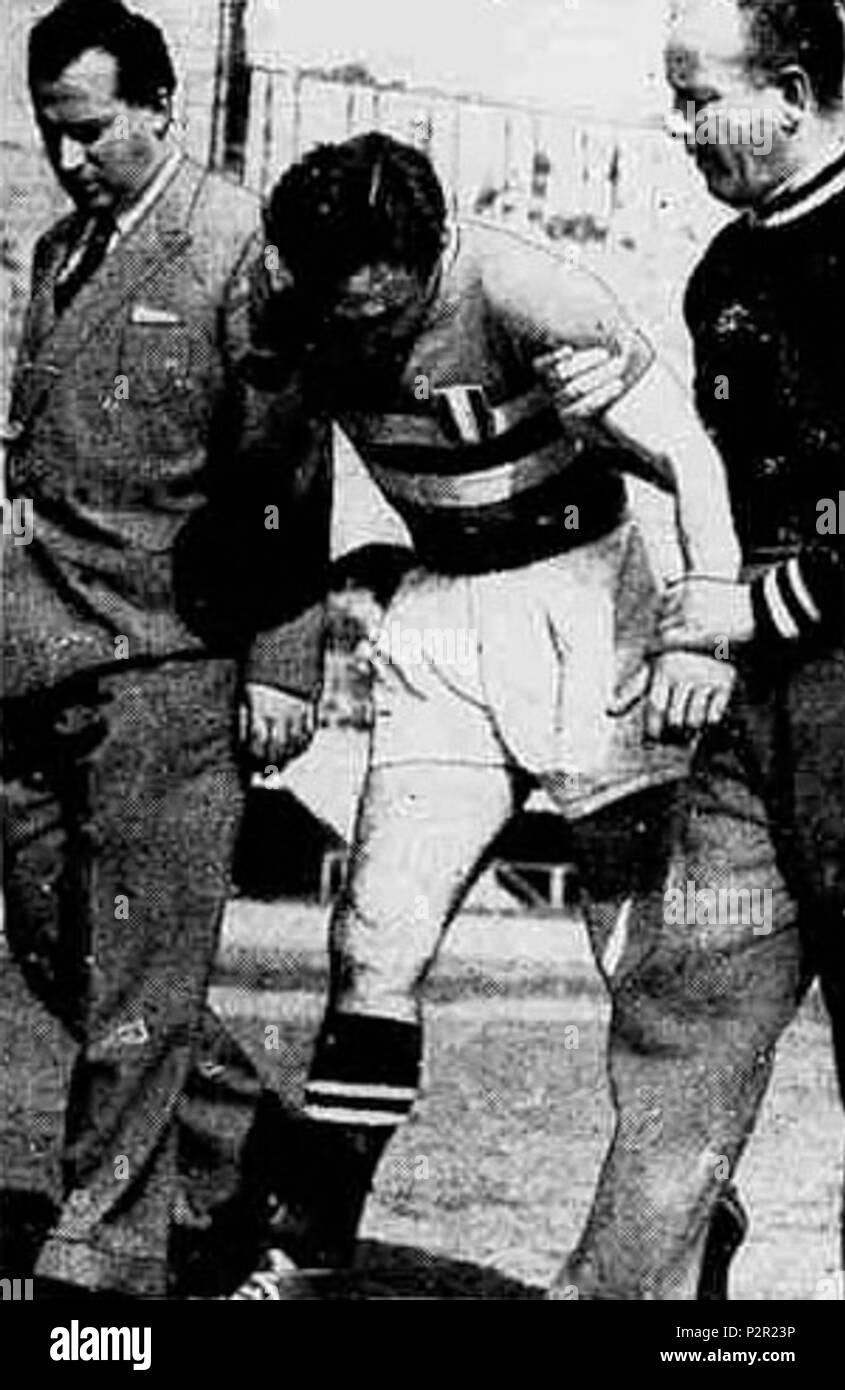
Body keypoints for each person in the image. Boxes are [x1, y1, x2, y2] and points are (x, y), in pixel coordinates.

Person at [229, 130, 744, 1298]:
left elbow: (689, 462)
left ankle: (687, 1229)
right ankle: (310, 1248)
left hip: (588, 602)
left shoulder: (525, 287)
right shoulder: (294, 300)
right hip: (440, 618)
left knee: (642, 964)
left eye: (382, 309)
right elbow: (276, 481)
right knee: (374, 937)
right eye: (337, 311)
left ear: (429, 252)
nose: (361, 334)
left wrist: (701, 625)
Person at [1, 0, 330, 1298]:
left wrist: (283, 664)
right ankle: (281, 1158)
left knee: (141, 946)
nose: (73, 157)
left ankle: (104, 1251)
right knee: (54, 939)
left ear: (157, 108)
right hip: (42, 648)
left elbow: (282, 479)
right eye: (52, 132)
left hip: (177, 654)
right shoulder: (57, 253)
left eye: (92, 132)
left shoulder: (236, 247)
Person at [548, 0, 845, 1300]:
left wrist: (761, 612)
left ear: (789, 89)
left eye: (695, 100)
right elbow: (736, 489)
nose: (675, 131)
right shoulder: (723, 271)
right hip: (749, 722)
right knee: (686, 1003)